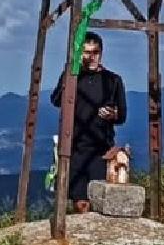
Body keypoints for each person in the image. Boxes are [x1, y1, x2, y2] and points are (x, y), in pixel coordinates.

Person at [49, 32, 127, 213]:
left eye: (95, 52)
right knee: (80, 202)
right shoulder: (72, 76)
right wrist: (68, 76)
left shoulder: (113, 80)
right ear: (80, 54)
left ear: (101, 53)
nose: (91, 57)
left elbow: (122, 116)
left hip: (102, 150)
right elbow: (56, 100)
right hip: (75, 149)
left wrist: (112, 114)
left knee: (99, 202)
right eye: (86, 52)